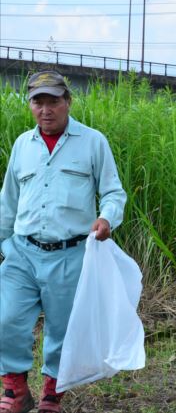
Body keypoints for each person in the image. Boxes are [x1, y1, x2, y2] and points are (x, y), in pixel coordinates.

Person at [0, 70, 127, 412]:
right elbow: (8, 201)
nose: (46, 109)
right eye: (38, 102)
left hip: (69, 254)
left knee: (62, 329)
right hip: (21, 252)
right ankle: (15, 389)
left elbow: (114, 192)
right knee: (5, 318)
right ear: (30, 106)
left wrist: (106, 218)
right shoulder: (22, 146)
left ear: (68, 102)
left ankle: (52, 393)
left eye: (53, 101)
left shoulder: (92, 142)